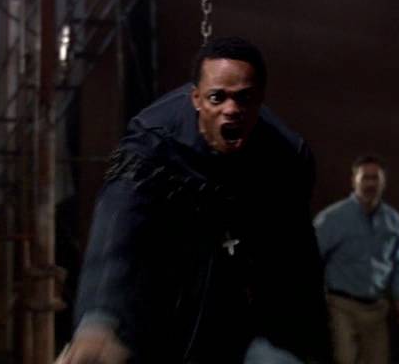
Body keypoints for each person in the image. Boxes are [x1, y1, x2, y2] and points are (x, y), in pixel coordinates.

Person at [58, 37, 330, 364]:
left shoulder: (286, 156)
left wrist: (312, 348)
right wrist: (99, 318)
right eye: (218, 97)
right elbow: (118, 222)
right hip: (157, 298)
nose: (232, 109)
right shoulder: (151, 140)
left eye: (244, 98)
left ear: (260, 100)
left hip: (233, 306)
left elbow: (299, 256)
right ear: (196, 99)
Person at [314, 155, 399, 364]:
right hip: (341, 306)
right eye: (365, 178)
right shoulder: (332, 218)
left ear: (383, 181)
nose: (370, 183)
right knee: (344, 359)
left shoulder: (393, 220)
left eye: (375, 178)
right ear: (354, 181)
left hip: (376, 309)